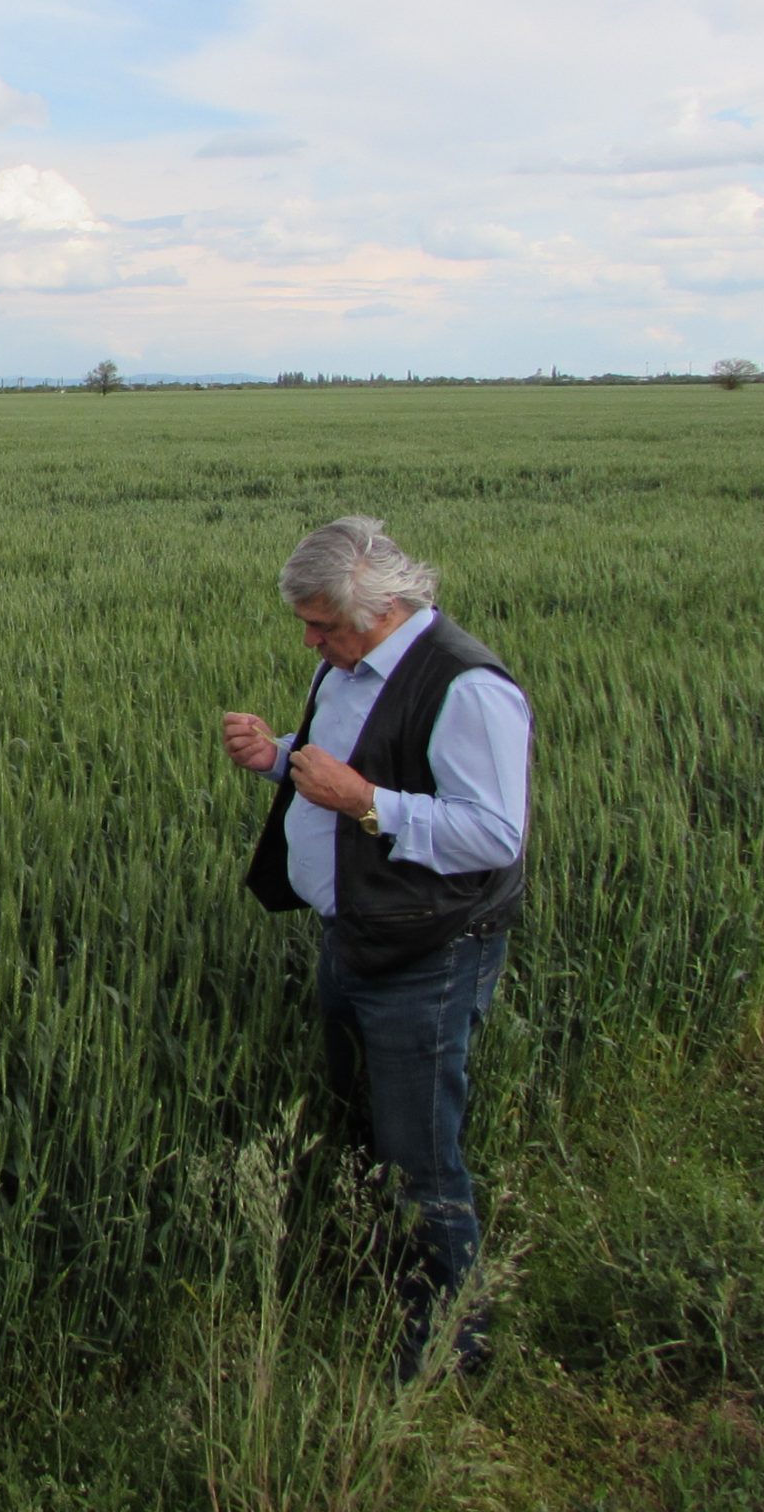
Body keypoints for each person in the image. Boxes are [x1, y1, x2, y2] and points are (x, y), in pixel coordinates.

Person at [220, 515, 531, 1376]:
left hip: (427, 957)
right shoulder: (349, 665)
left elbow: (493, 834)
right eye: (308, 627)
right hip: (353, 935)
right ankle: (387, 1285)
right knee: (364, 1129)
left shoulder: (466, 687)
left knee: (421, 1153)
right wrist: (276, 756)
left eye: (325, 624)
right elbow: (337, 761)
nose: (314, 643)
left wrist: (365, 801)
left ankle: (448, 1348)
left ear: (385, 604)